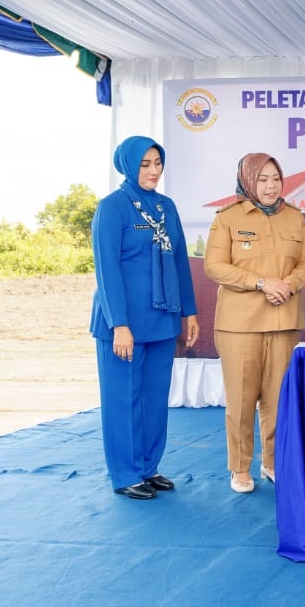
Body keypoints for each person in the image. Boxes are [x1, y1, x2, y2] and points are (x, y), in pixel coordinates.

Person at [90, 136, 199, 500]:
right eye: (145, 164)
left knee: (154, 400)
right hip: (123, 325)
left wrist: (190, 311)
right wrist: (118, 323)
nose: (153, 171)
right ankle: (125, 473)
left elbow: (180, 262)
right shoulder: (113, 208)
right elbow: (106, 271)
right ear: (128, 166)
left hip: (162, 321)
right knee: (124, 399)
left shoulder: (167, 207)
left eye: (157, 163)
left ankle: (148, 468)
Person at [204, 153, 305, 494]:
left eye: (275, 179)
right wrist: (260, 282)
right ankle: (240, 468)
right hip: (239, 325)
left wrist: (288, 284)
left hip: (283, 322)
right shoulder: (228, 217)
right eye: (262, 179)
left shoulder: (294, 218)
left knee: (278, 398)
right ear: (248, 181)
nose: (270, 186)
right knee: (241, 399)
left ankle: (272, 462)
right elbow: (214, 265)